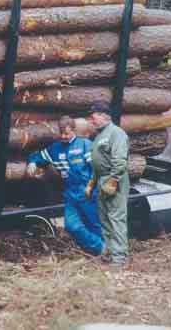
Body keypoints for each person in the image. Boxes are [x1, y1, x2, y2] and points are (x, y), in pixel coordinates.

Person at [26, 116, 104, 255]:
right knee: (71, 226)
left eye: (67, 133)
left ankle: (103, 253)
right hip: (70, 194)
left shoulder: (85, 145)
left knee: (95, 225)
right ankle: (100, 248)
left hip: (88, 191)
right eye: (61, 133)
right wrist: (32, 163)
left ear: (74, 131)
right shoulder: (55, 149)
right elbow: (39, 156)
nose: (63, 136)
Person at [85, 101, 130, 265]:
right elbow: (97, 163)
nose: (91, 121)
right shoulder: (99, 135)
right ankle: (110, 253)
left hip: (114, 180)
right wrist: (91, 183)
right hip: (101, 179)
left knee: (116, 218)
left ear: (103, 115)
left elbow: (119, 161)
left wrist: (112, 182)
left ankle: (119, 258)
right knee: (104, 219)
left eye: (93, 117)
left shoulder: (116, 133)